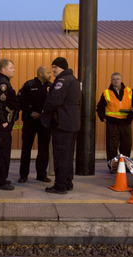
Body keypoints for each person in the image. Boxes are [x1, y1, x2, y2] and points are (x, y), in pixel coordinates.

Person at [41, 57, 81, 194]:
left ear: (62, 67)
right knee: (69, 155)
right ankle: (68, 182)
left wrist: (44, 111)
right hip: (73, 123)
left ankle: (60, 186)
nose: (52, 70)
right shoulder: (74, 80)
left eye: (55, 67)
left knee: (60, 156)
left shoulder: (62, 81)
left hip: (62, 123)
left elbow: (55, 100)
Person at [96, 72, 133, 172]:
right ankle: (113, 167)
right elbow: (100, 107)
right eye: (113, 79)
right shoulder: (106, 93)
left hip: (126, 122)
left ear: (121, 80)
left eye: (117, 79)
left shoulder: (129, 91)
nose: (115, 81)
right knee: (111, 146)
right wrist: (103, 118)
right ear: (111, 81)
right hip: (112, 123)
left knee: (126, 145)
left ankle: (124, 167)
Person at [17, 66, 52, 183]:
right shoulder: (29, 85)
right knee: (26, 148)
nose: (50, 74)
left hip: (44, 123)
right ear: (40, 74)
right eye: (48, 72)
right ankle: (23, 175)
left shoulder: (51, 86)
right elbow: (20, 100)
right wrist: (30, 112)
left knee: (44, 149)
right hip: (30, 121)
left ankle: (41, 174)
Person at [0, 58, 20, 190]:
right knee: (1, 152)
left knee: (4, 151)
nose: (14, 69)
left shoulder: (4, 81)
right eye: (11, 67)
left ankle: (2, 178)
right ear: (3, 69)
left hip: (4, 123)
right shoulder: (2, 83)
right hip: (1, 124)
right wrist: (4, 122)